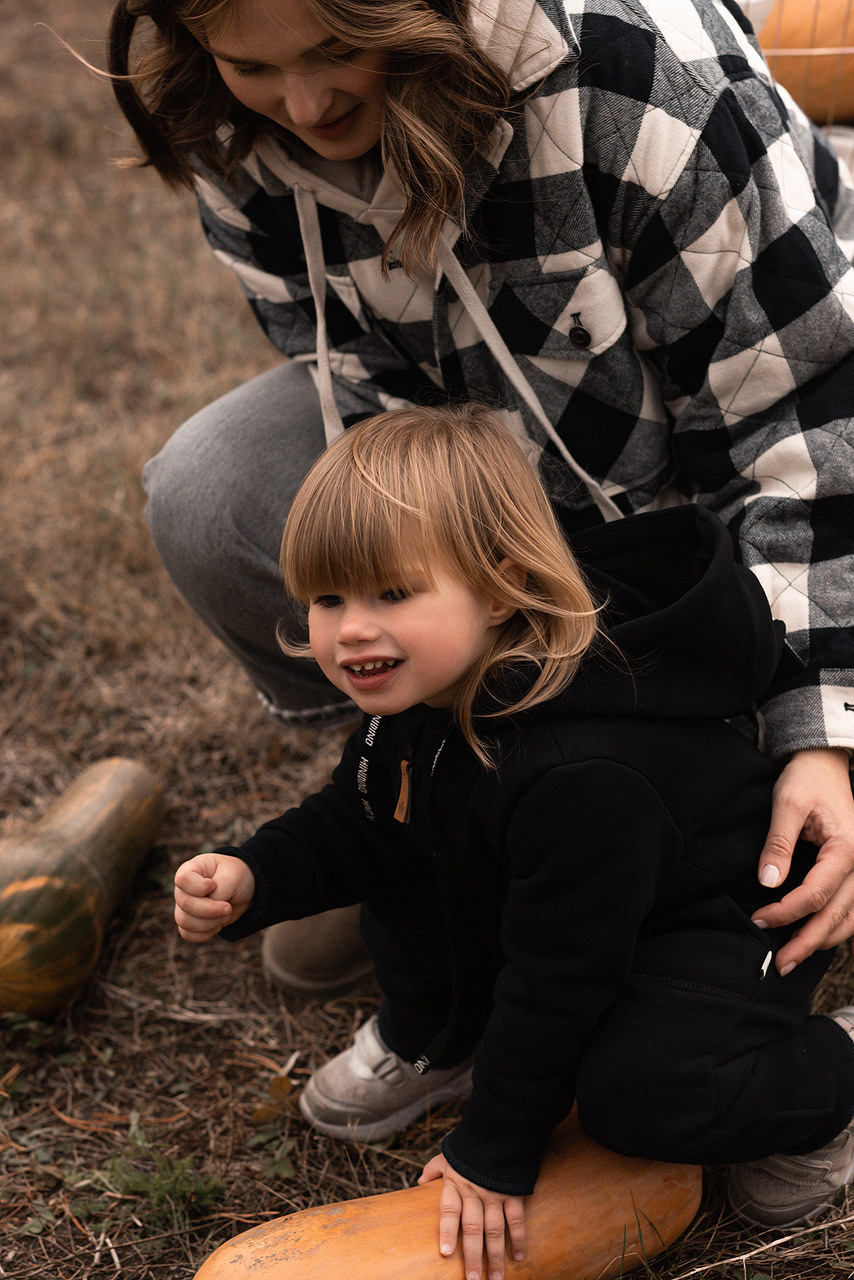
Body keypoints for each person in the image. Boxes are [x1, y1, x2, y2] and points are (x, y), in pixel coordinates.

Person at [107, 0, 854, 990]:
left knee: (694, 911)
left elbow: (800, 407)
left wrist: (817, 731)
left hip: (732, 466)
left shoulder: (639, 78)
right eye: (252, 64)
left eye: (338, 49)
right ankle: (416, 808)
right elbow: (375, 410)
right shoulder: (234, 131)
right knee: (212, 492)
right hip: (516, 485)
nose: (304, 101)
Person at [174, 404, 854, 1280]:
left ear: (496, 587)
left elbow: (560, 974)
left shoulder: (580, 772)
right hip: (592, 908)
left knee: (643, 1095)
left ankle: (831, 1080)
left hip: (716, 915)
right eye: (327, 597)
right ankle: (442, 1037)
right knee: (411, 855)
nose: (349, 631)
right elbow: (358, 816)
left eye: (391, 593)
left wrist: (494, 1146)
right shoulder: (422, 694)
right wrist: (255, 875)